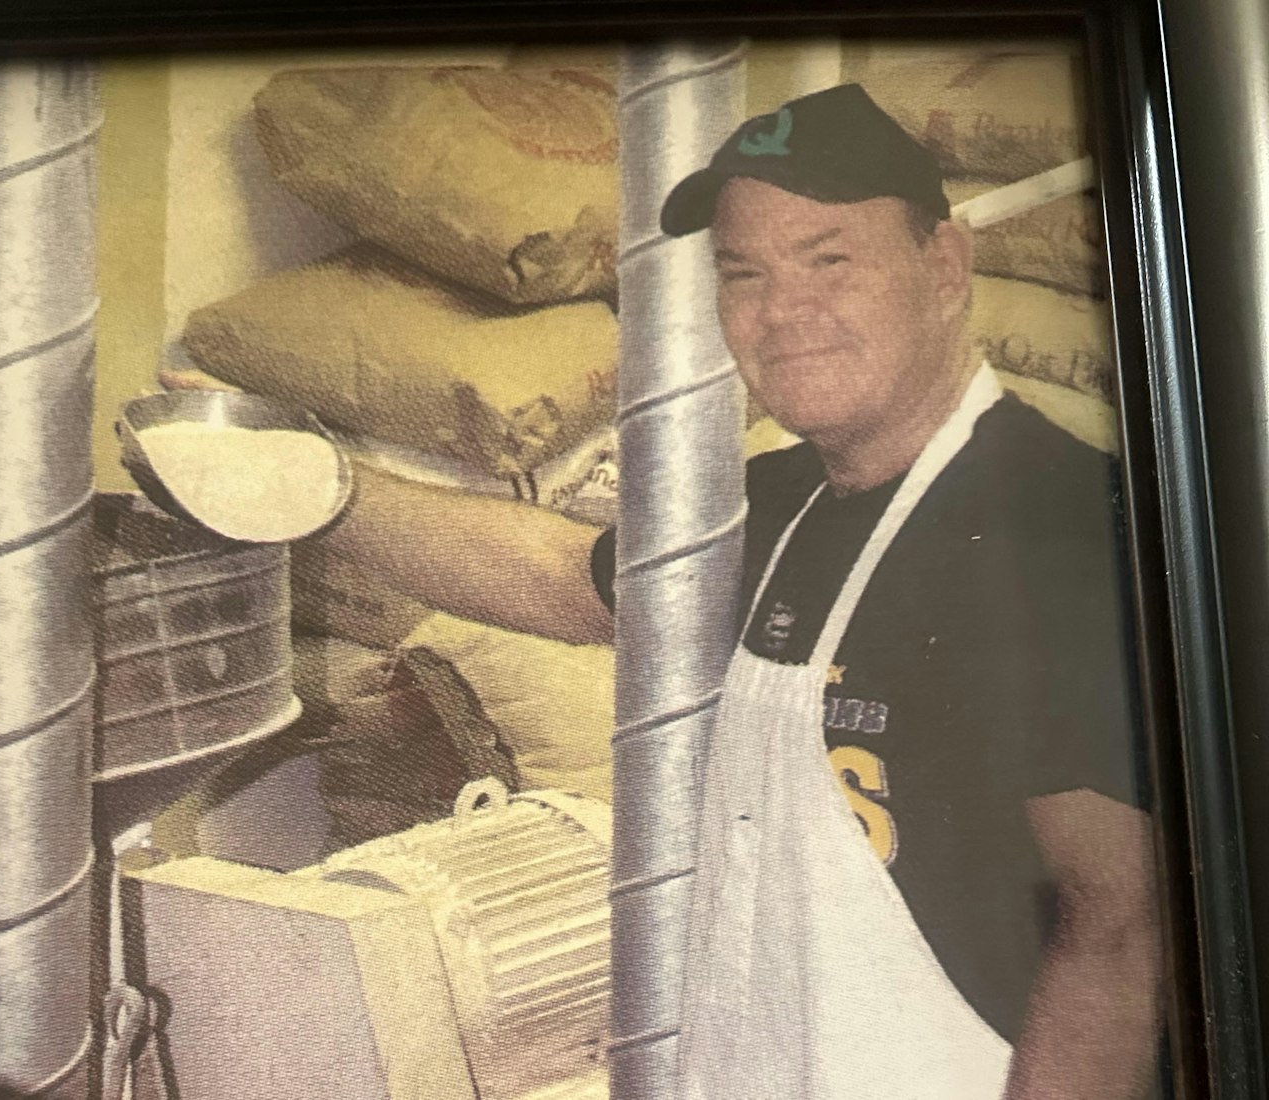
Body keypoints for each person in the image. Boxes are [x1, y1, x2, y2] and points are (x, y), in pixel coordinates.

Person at [315, 83, 1159, 1098]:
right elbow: (548, 572)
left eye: (828, 258)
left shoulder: (1055, 522)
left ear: (944, 267)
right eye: (743, 272)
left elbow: (1122, 928)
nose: (780, 310)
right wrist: (322, 490)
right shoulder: (776, 500)